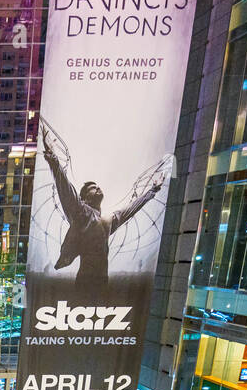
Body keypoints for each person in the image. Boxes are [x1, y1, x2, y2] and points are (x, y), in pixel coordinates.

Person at [42, 124, 163, 298]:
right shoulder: (81, 212)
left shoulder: (108, 221)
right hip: (85, 282)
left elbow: (131, 209)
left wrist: (152, 191)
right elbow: (65, 189)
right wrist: (52, 157)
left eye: (98, 186)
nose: (97, 188)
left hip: (102, 282)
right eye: (92, 188)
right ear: (84, 198)